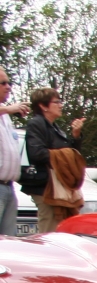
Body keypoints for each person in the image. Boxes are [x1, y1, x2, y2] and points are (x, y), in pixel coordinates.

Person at [23, 87, 83, 234]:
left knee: (62, 230)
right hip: (46, 188)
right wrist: (63, 155)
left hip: (59, 187)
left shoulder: (55, 128)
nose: (61, 105)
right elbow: (36, 153)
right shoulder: (36, 124)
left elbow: (72, 156)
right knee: (49, 232)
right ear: (43, 106)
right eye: (56, 102)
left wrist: (75, 136)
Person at [0, 68, 28, 236]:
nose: (8, 87)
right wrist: (9, 109)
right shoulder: (6, 111)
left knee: (7, 243)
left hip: (9, 187)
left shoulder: (5, 115)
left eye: (9, 82)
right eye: (3, 83)